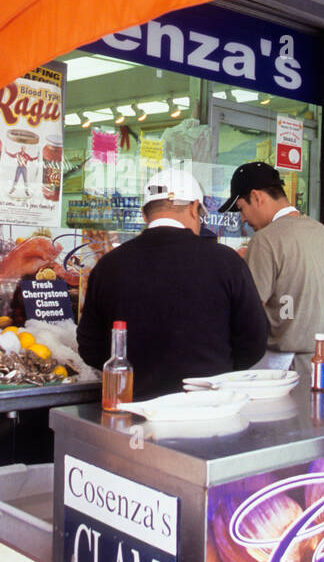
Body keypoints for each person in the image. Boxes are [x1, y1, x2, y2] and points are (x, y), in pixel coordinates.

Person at [77, 168, 268, 399]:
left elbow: (89, 346)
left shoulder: (108, 265)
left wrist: (132, 370)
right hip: (208, 407)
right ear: (193, 207)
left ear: (145, 215)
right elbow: (255, 341)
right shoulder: (227, 261)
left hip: (133, 409)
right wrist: (218, 371)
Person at [219, 161, 324, 372]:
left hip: (281, 366)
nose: (244, 219)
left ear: (257, 197)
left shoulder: (264, 240)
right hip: (323, 361)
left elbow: (250, 311)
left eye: (241, 209)